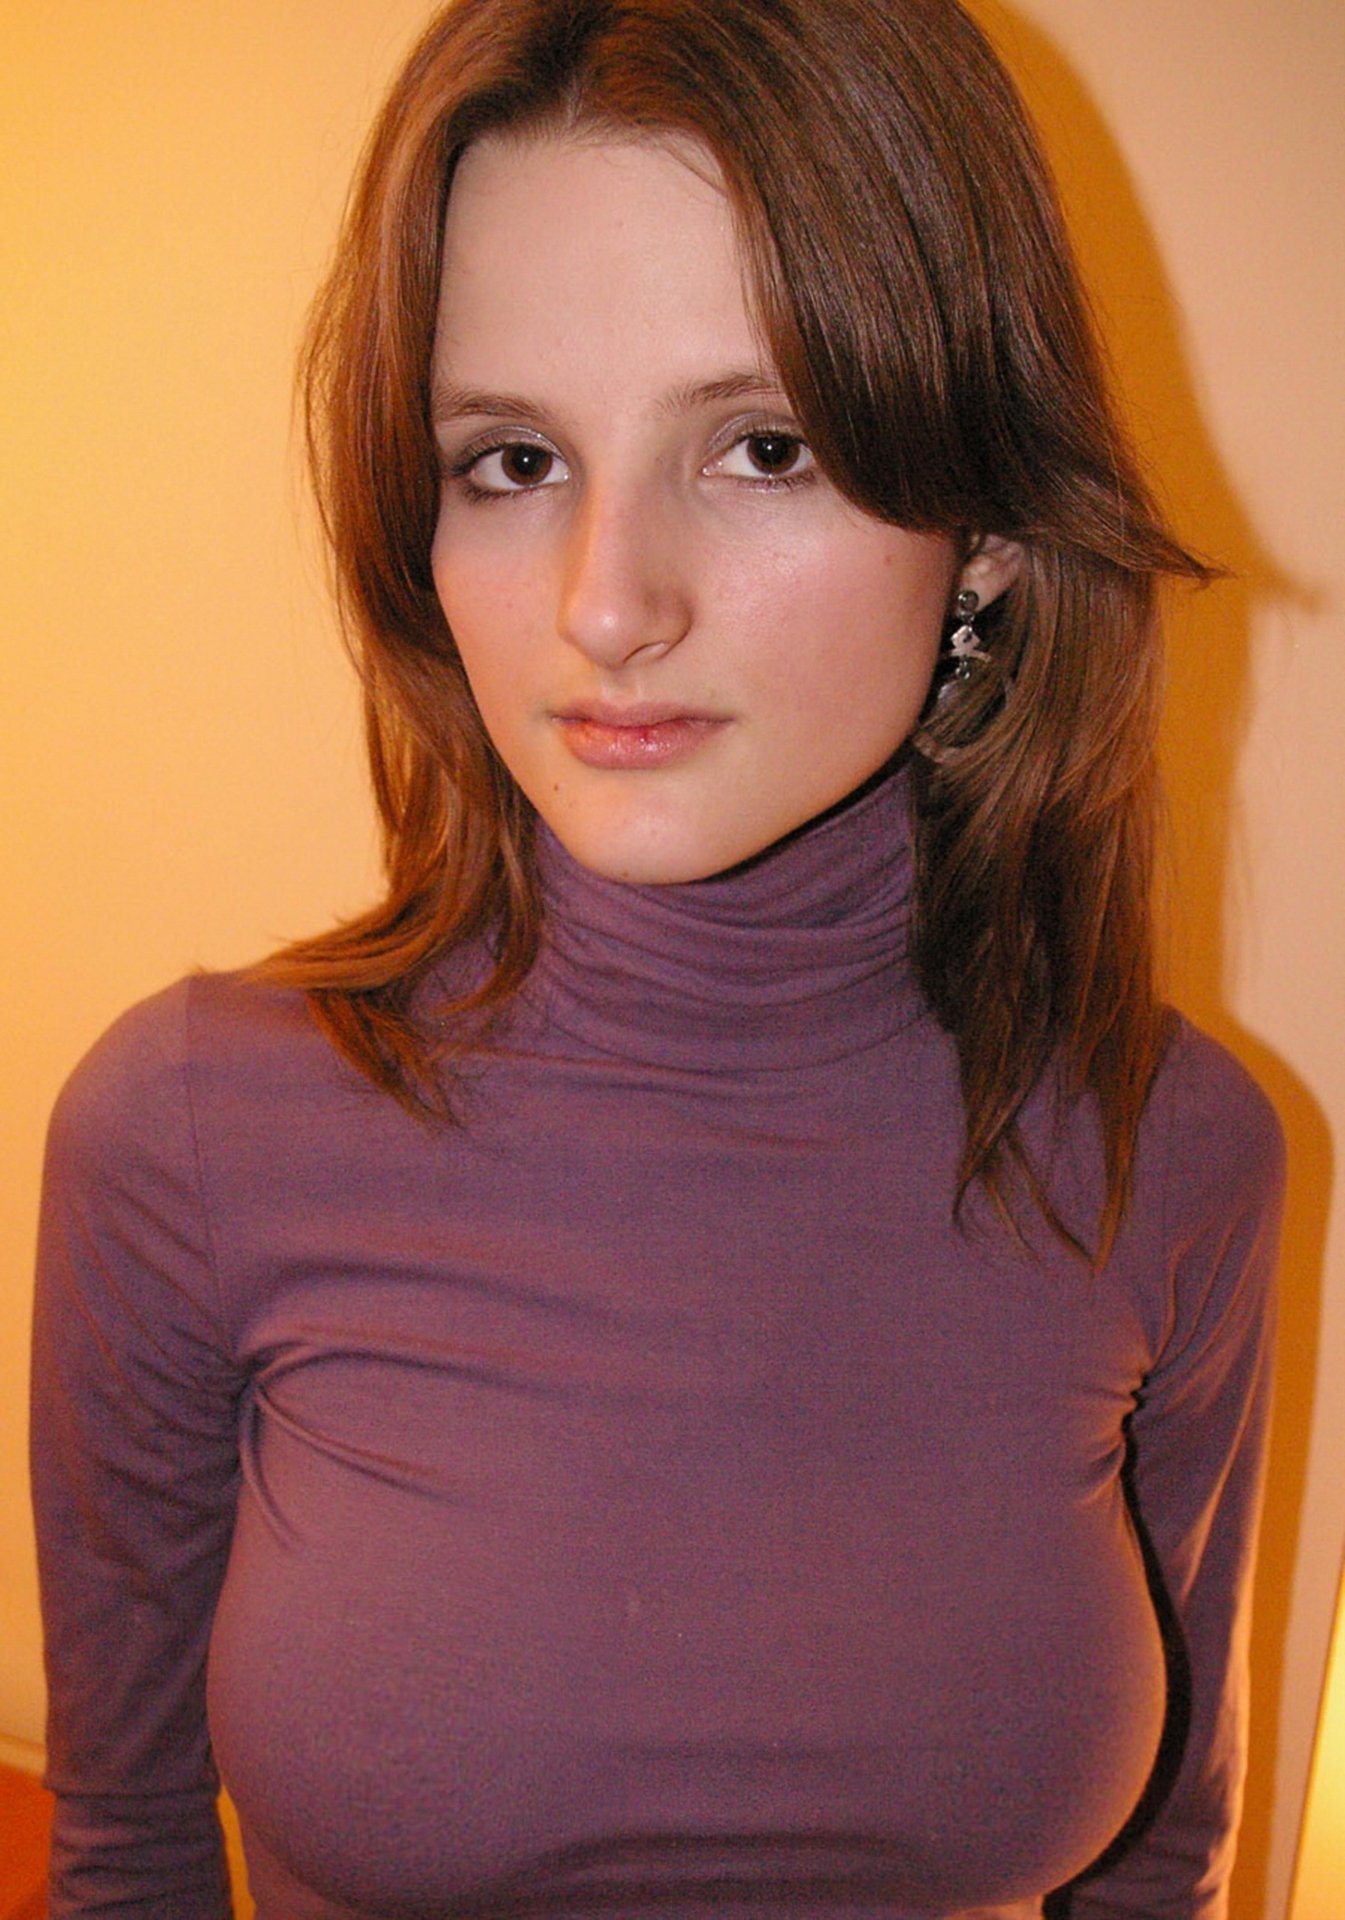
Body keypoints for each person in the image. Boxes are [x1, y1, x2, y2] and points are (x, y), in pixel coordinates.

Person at [30, 1, 1284, 1916]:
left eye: (763, 447)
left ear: (990, 532)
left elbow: (1162, 1864)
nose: (606, 604)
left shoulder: (1170, 1148)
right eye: (513, 460)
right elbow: (126, 1856)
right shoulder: (188, 1132)